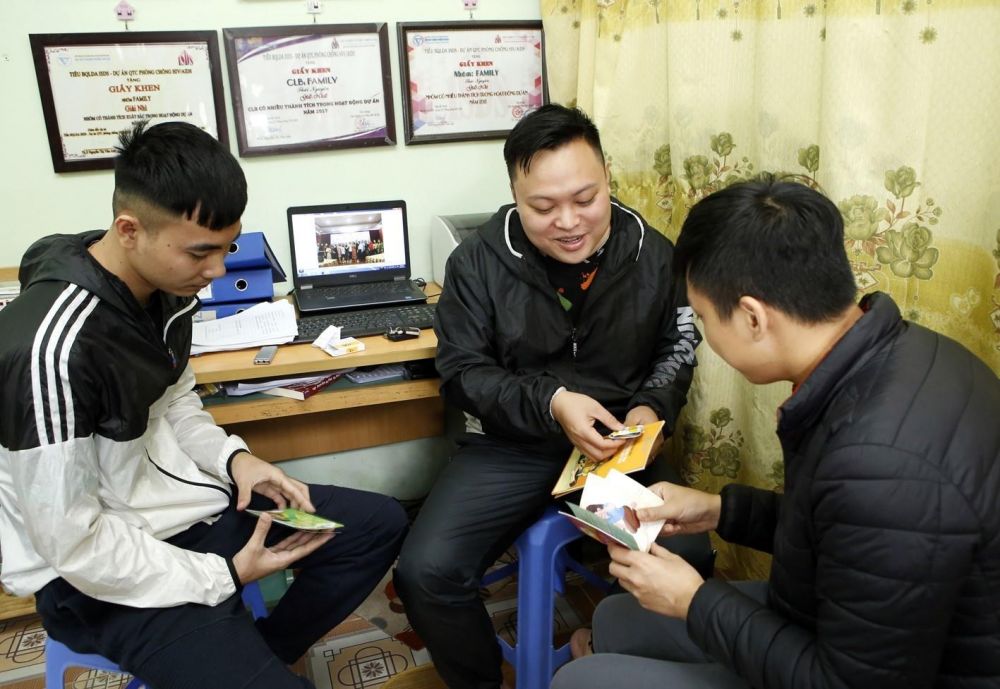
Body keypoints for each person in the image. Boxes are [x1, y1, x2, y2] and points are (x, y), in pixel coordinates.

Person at [0, 121, 408, 689]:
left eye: (226, 248)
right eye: (201, 253)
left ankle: (262, 650)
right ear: (129, 229)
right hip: (101, 578)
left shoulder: (164, 294)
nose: (217, 271)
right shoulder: (50, 352)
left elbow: (178, 405)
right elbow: (72, 541)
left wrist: (236, 461)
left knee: (374, 524)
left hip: (191, 516)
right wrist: (223, 575)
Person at [552, 176, 1000, 689]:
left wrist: (695, 602)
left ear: (752, 318)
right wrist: (719, 510)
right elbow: (842, 531)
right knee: (617, 618)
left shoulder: (880, 462)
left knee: (579, 681)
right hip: (843, 621)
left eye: (701, 318)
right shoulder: (904, 351)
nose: (703, 335)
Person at [392, 103, 703, 689]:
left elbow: (678, 346)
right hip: (511, 446)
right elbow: (461, 370)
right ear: (514, 194)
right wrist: (552, 401)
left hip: (614, 448)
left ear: (608, 177)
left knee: (690, 562)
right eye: (543, 207)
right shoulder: (478, 263)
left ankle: (614, 651)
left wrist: (649, 408)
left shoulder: (655, 254)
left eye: (585, 199)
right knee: (426, 572)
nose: (568, 222)